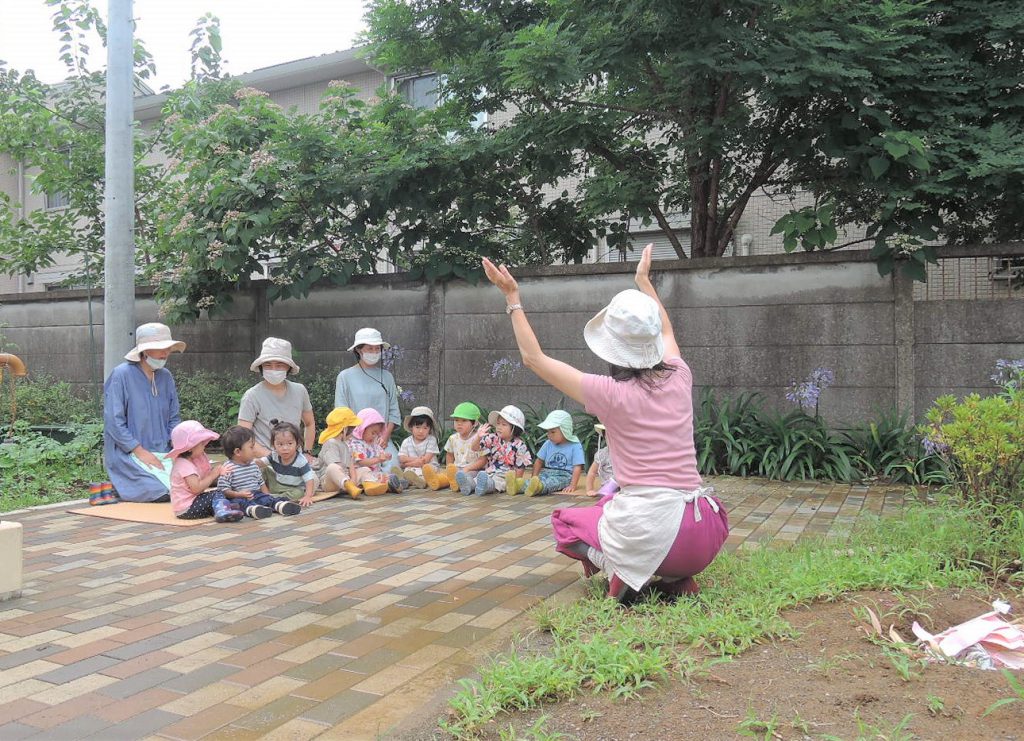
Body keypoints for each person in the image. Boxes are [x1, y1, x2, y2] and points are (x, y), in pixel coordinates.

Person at [482, 245, 729, 601]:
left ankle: (624, 573)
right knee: (604, 508)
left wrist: (512, 297)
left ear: (611, 348)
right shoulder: (680, 375)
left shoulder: (609, 393)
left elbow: (533, 358)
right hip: (703, 532)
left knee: (566, 523)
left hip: (656, 532)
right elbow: (668, 331)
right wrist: (645, 283)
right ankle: (676, 578)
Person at [103, 322, 185, 503]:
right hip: (129, 453)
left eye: (168, 348)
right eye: (159, 348)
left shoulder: (166, 376)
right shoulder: (121, 375)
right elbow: (113, 422)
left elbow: (174, 418)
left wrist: (178, 448)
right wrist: (139, 451)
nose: (165, 353)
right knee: (159, 492)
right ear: (144, 350)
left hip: (164, 452)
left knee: (190, 481)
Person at [238, 337, 316, 458]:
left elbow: (309, 423)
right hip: (264, 461)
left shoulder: (300, 390)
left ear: (288, 368)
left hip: (297, 459)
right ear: (261, 368)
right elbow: (243, 436)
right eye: (268, 365)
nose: (273, 369)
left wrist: (307, 452)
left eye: (279, 365)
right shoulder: (251, 396)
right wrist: (273, 458)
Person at [334, 328, 401, 461]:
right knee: (359, 471)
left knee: (392, 471)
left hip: (381, 439)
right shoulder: (345, 377)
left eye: (377, 349)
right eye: (370, 349)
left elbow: (394, 412)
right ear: (358, 350)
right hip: (354, 439)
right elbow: (341, 412)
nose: (374, 352)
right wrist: (352, 438)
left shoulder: (387, 377)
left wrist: (385, 437)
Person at [217, 425, 302, 517]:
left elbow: (261, 483)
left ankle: (279, 506)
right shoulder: (227, 468)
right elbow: (223, 490)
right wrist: (238, 494)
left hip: (256, 494)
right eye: (251, 447)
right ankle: (253, 510)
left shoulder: (253, 464)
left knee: (267, 499)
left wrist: (267, 495)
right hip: (239, 497)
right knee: (238, 504)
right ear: (238, 452)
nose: (254, 450)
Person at [168, 421, 241, 522]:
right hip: (186, 509)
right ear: (190, 448)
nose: (204, 446)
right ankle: (222, 510)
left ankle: (225, 507)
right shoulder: (183, 465)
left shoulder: (195, 459)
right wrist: (213, 474)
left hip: (193, 503)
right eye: (201, 443)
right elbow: (196, 488)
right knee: (216, 494)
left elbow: (206, 476)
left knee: (222, 493)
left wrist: (221, 474)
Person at [455, 405, 532, 496]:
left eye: (504, 424)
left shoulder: (520, 445)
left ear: (514, 428)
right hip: (488, 472)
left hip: (505, 476)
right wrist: (478, 437)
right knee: (479, 479)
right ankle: (469, 486)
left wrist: (516, 483)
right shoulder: (492, 438)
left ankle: (484, 487)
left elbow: (520, 467)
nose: (499, 427)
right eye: (498, 423)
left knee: (494, 482)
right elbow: (474, 448)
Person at [510, 410, 585, 497]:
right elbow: (538, 461)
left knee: (551, 483)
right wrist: (534, 477)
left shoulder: (575, 445)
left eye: (553, 432)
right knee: (539, 479)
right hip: (547, 472)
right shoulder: (548, 443)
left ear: (565, 430)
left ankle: (538, 487)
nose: (549, 435)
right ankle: (517, 486)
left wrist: (573, 485)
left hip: (564, 475)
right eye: (548, 432)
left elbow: (577, 467)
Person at [423, 402, 485, 491]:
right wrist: (449, 467)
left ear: (474, 423)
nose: (459, 424)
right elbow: (450, 455)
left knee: (468, 476)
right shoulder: (453, 438)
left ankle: (458, 483)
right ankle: (437, 481)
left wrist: (468, 468)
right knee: (445, 475)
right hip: (456, 468)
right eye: (456, 420)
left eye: (464, 420)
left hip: (473, 469)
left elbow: (483, 460)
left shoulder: (479, 438)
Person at [263, 420, 317, 506]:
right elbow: (261, 462)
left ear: (297, 444)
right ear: (274, 445)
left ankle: (275, 498)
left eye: (290, 443)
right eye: (280, 444)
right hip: (277, 484)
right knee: (262, 469)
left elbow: (309, 480)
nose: (285, 448)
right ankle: (264, 493)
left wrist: (308, 496)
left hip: (293, 488)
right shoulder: (274, 455)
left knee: (298, 493)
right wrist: (251, 462)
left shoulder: (301, 461)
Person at [348, 408, 400, 495]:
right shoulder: (356, 443)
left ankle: (391, 484)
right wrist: (379, 459)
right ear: (362, 428)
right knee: (365, 471)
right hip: (360, 473)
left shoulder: (374, 443)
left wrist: (386, 456)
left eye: (377, 433)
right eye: (373, 433)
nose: (375, 436)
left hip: (374, 473)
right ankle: (373, 486)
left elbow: (380, 453)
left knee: (384, 474)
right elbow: (362, 462)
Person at [318, 407, 363, 499]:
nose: (353, 433)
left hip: (346, 480)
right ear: (344, 429)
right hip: (330, 483)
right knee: (332, 467)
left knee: (364, 469)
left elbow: (351, 466)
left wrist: (353, 479)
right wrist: (350, 480)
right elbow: (336, 467)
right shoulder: (330, 443)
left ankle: (371, 485)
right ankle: (350, 486)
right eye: (352, 429)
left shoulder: (345, 445)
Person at [395, 406, 440, 488]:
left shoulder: (431, 440)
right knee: (408, 470)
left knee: (426, 470)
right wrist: (414, 462)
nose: (421, 431)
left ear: (429, 429)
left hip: (428, 466)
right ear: (411, 427)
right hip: (412, 466)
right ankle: (406, 480)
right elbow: (402, 458)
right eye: (417, 427)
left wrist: (411, 463)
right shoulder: (406, 441)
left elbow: (426, 459)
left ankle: (420, 481)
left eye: (425, 428)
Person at [585, 424, 618, 498]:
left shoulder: (628, 453)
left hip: (625, 488)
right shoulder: (602, 454)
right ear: (604, 437)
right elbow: (592, 472)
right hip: (608, 488)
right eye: (609, 436)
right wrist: (589, 489)